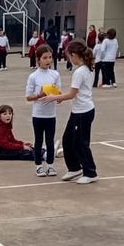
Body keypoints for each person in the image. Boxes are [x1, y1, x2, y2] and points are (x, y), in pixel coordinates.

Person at [43, 39, 97, 184]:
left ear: (74, 55)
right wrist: (60, 96)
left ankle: (90, 172)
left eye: (69, 56)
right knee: (67, 140)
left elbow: (72, 94)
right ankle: (74, 168)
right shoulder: (86, 68)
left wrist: (54, 97)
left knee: (80, 143)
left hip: (83, 112)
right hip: (78, 111)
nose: (69, 59)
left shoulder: (80, 71)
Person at [25, 44, 62, 176]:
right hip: (38, 114)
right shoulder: (33, 76)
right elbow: (28, 97)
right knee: (39, 140)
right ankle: (38, 166)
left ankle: (50, 165)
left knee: (50, 141)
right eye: (45, 58)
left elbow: (59, 94)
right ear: (38, 59)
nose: (48, 60)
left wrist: (58, 97)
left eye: (50, 57)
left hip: (51, 114)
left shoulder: (55, 75)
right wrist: (39, 95)